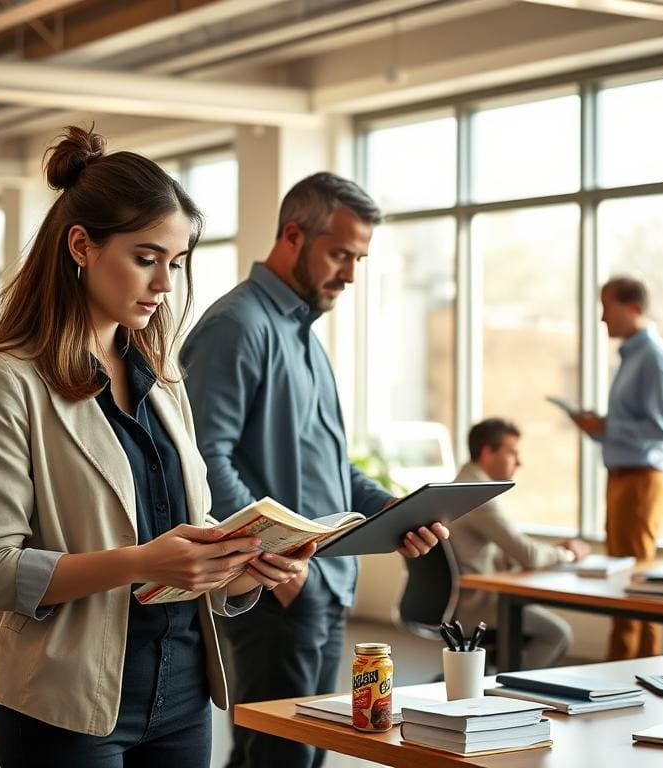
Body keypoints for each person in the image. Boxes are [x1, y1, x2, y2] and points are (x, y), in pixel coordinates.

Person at [0, 126, 314, 768]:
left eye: (176, 262)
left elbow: (184, 531)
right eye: (147, 258)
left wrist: (240, 567)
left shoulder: (162, 377)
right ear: (81, 246)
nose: (165, 283)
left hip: (182, 693)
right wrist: (142, 562)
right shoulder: (5, 379)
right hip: (65, 703)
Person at [180, 172, 448, 768]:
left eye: (359, 260)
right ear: (294, 236)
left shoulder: (303, 336)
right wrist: (278, 567)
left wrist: (389, 509)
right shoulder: (237, 327)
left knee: (304, 755)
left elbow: (329, 462)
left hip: (321, 585)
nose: (350, 274)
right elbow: (202, 459)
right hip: (276, 587)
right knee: (279, 757)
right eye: (340, 255)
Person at [571, 276, 663, 660]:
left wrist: (607, 427)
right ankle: (621, 669)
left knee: (637, 584)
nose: (602, 317)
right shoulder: (633, 357)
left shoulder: (654, 358)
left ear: (633, 307)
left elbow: (659, 430)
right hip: (623, 476)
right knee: (624, 580)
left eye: (607, 307)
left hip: (642, 480)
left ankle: (640, 671)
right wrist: (600, 428)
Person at [449, 418, 589, 669]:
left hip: (461, 602)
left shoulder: (462, 485)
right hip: (475, 607)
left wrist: (552, 550)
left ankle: (500, 678)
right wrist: (567, 553)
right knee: (557, 635)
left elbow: (511, 548)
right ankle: (508, 686)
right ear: (487, 453)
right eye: (512, 452)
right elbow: (529, 556)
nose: (519, 461)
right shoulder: (475, 494)